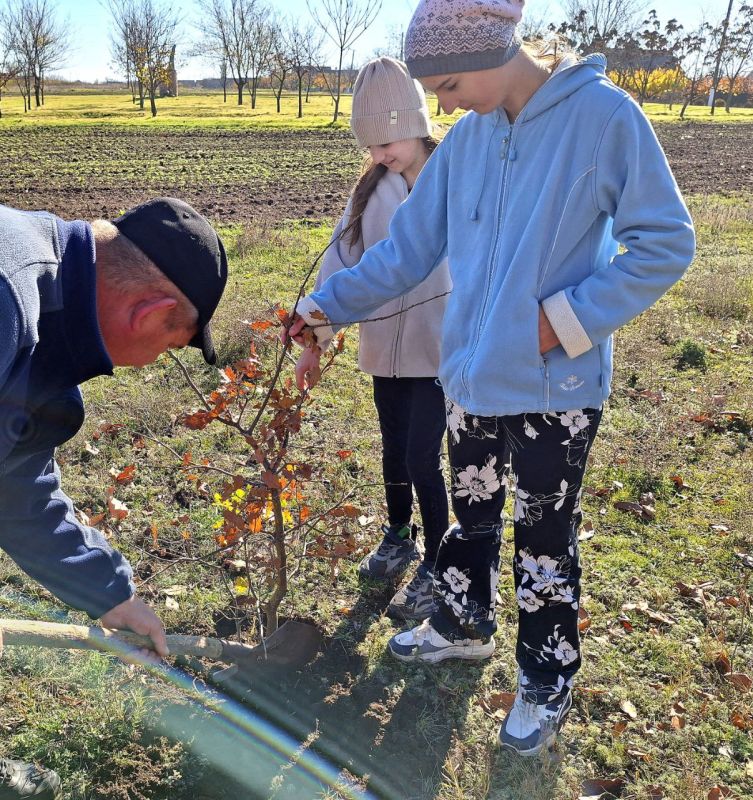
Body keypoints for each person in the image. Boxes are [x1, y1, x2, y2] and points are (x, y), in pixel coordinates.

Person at [285, 0, 695, 758]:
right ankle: (462, 624)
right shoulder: (469, 142)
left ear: (483, 54)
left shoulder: (604, 118)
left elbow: (664, 242)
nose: (439, 105)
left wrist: (567, 320)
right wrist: (324, 305)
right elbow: (405, 253)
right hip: (468, 380)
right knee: (470, 521)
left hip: (553, 389)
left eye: (443, 85)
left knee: (544, 541)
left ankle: (545, 676)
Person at [0, 197, 228, 798]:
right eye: (170, 347)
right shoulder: (8, 299)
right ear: (149, 311)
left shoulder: (43, 293)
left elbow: (14, 481)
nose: (151, 363)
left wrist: (107, 591)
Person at [296, 56, 451, 622]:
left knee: (423, 456)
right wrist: (314, 338)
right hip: (385, 345)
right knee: (393, 448)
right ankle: (397, 533)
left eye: (390, 140)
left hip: (441, 348)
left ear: (417, 121)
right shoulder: (370, 191)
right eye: (372, 144)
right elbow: (340, 263)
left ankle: (439, 561)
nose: (382, 153)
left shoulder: (451, 176)